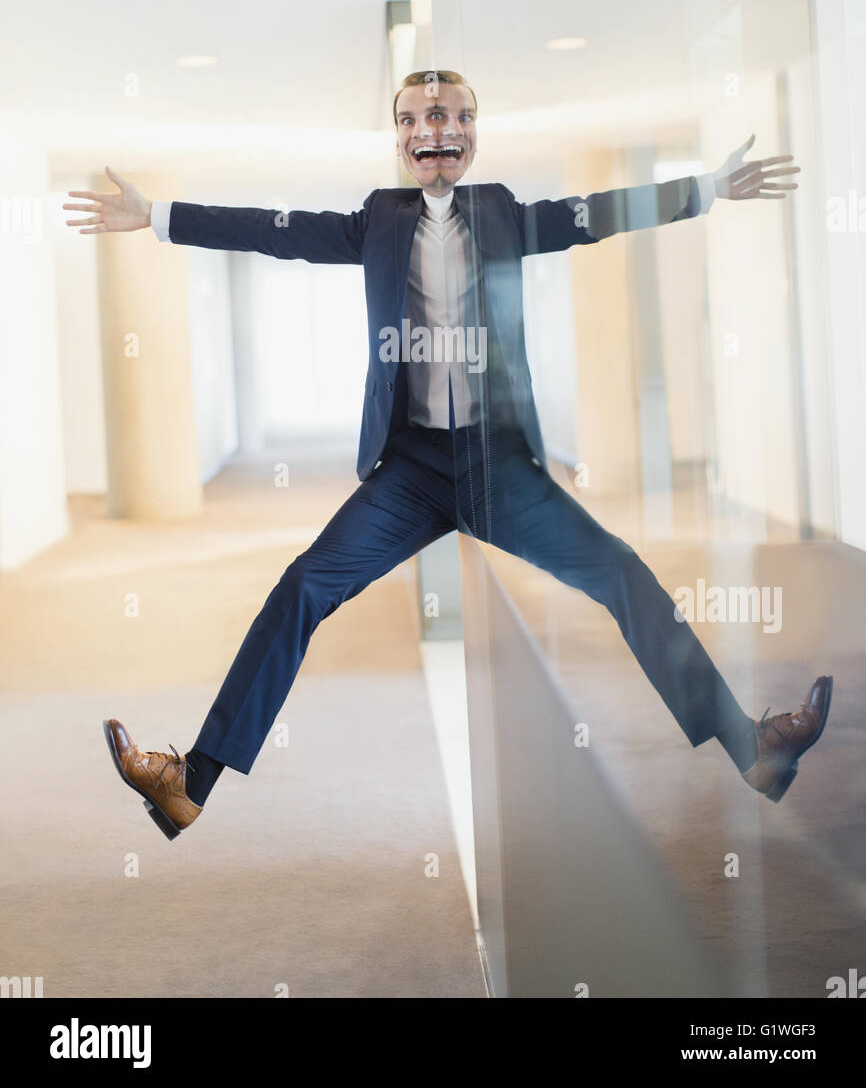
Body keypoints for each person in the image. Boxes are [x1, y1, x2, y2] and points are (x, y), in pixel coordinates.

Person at [64, 69, 832, 841]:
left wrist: (706, 188)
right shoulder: (377, 220)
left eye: (456, 115)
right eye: (420, 117)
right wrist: (157, 215)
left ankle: (752, 750)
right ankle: (192, 782)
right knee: (303, 587)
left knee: (620, 572)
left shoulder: (502, 212)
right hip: (411, 472)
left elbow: (599, 213)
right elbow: (274, 227)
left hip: (499, 468)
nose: (439, 128)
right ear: (399, 137)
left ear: (473, 133)